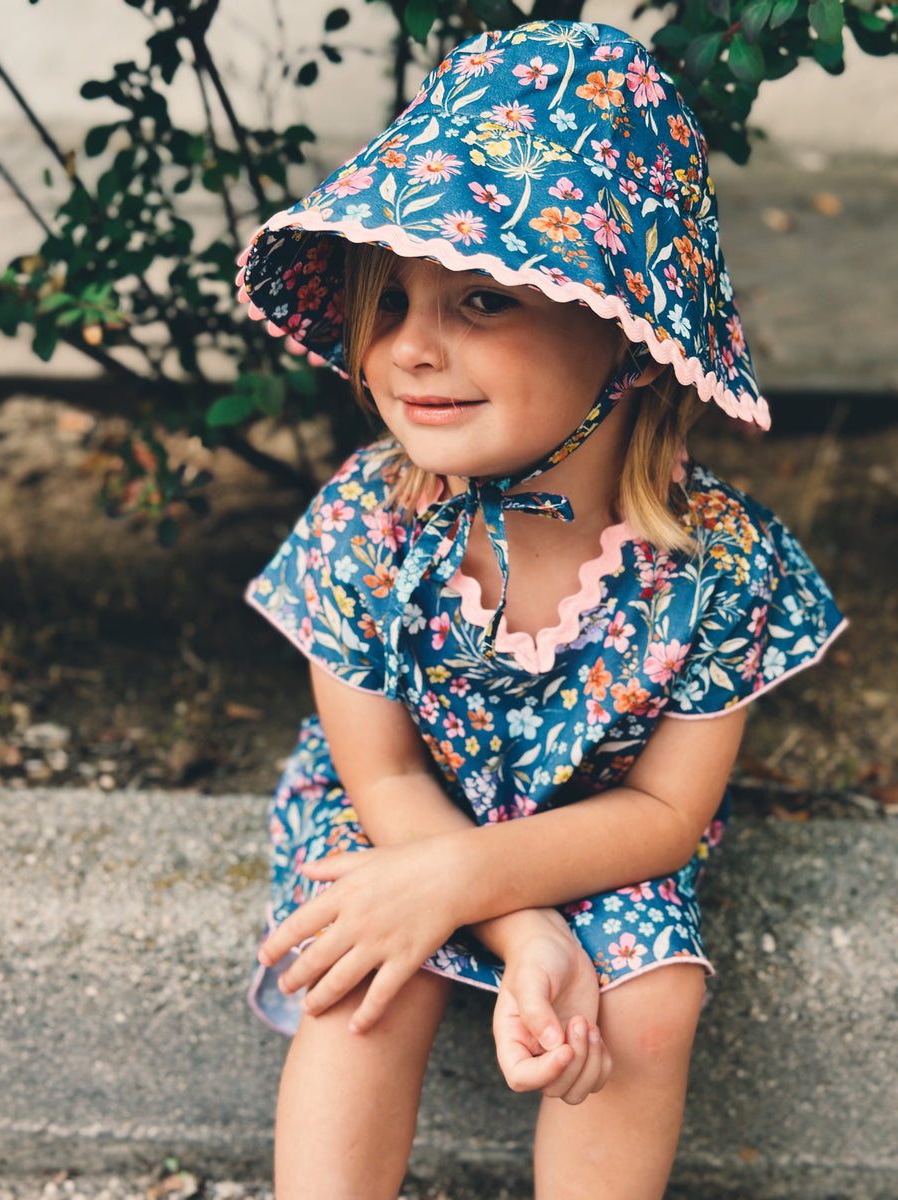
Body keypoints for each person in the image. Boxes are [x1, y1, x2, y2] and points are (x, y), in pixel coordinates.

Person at [236, 20, 845, 1200]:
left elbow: (666, 812)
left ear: (626, 325)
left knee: (652, 1002)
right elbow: (382, 774)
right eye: (393, 303)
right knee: (371, 969)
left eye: (477, 298)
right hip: (399, 821)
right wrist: (511, 926)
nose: (411, 349)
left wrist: (516, 895)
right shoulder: (372, 520)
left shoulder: (720, 566)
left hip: (595, 833)